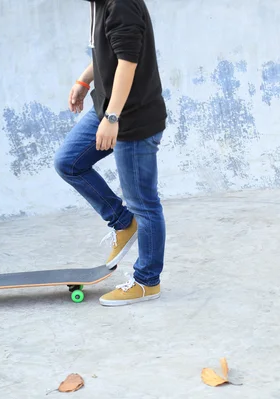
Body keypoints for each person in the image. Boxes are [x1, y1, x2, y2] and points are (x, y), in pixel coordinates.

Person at [54, 0, 166, 306]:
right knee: (68, 163)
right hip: (107, 109)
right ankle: (121, 221)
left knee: (144, 203)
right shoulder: (99, 4)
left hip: (134, 120)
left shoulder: (122, 4)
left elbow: (127, 63)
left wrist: (112, 117)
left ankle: (147, 281)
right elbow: (107, 54)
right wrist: (84, 80)